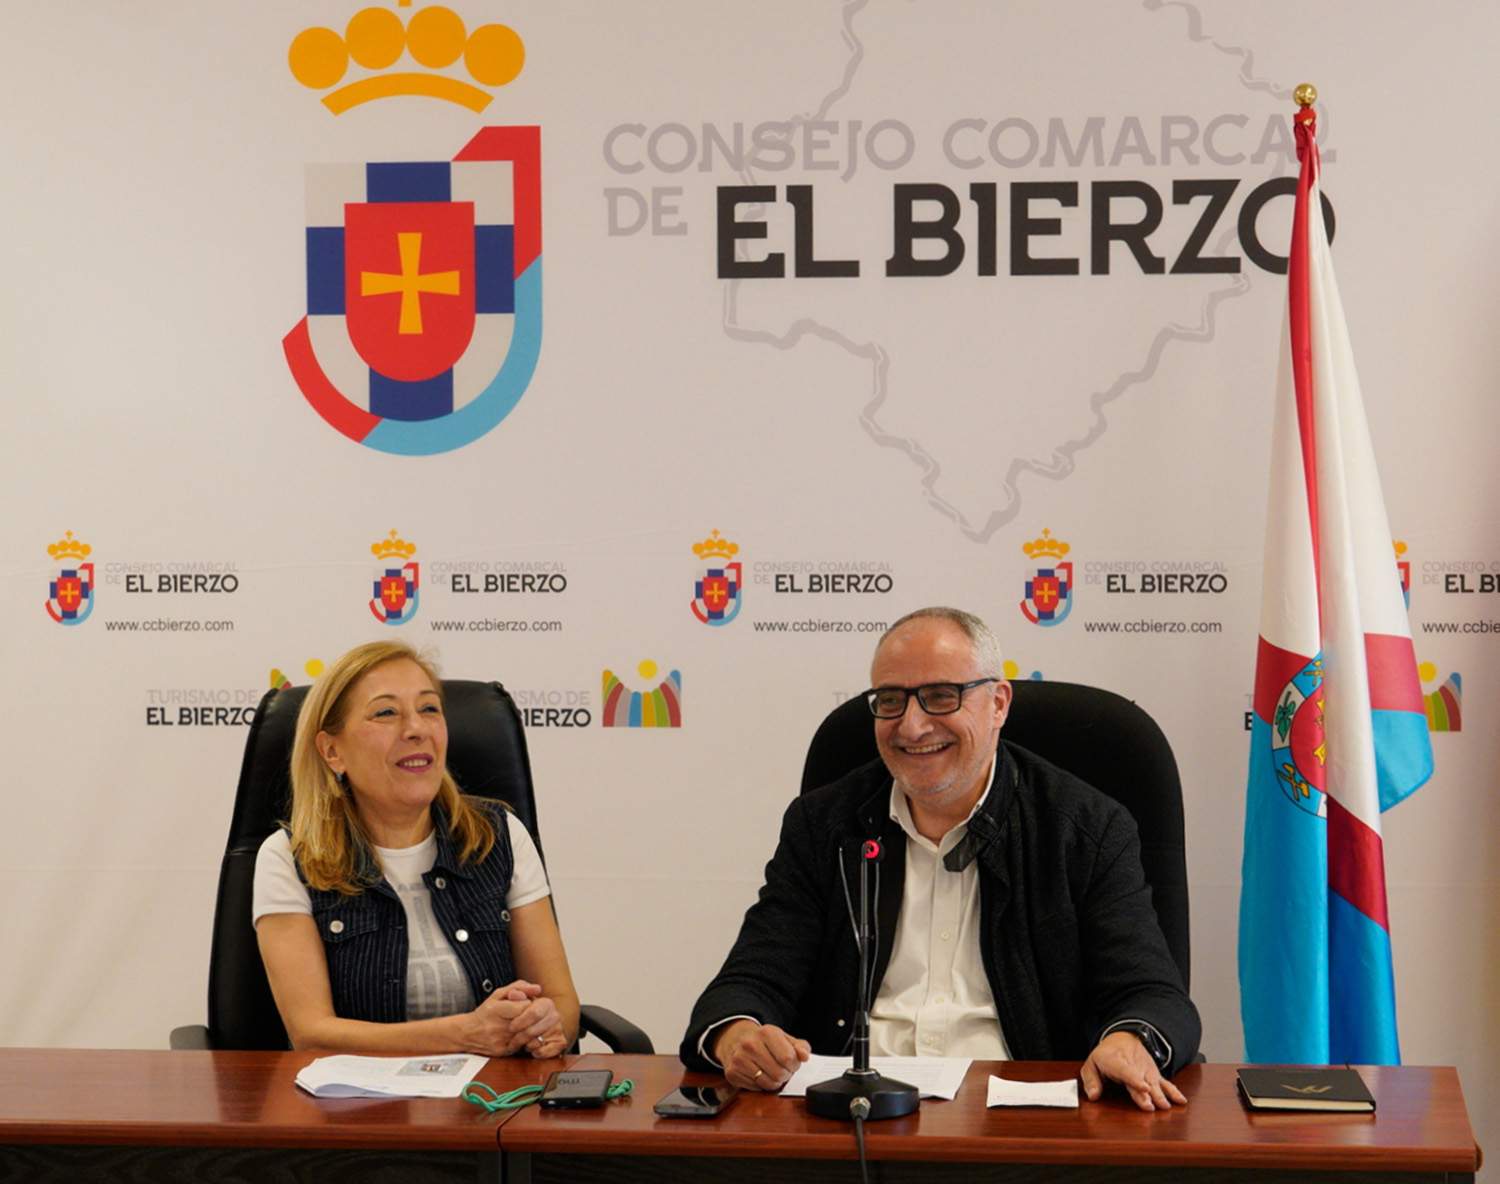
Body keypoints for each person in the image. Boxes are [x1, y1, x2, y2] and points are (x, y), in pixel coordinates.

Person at [680, 607, 1200, 1112]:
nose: (911, 726)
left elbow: (1151, 993)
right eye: (890, 700)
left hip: (1015, 1121)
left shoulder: (1084, 828)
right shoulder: (824, 825)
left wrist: (1130, 1039)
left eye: (939, 697)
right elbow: (750, 982)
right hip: (854, 1117)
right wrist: (737, 1036)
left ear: (997, 704)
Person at [253, 640, 580, 1057]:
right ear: (332, 751)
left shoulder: (498, 836)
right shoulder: (289, 858)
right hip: (357, 1111)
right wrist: (465, 1035)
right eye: (386, 713)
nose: (417, 729)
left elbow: (563, 1004)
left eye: (429, 709)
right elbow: (311, 1033)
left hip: (493, 1103)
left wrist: (545, 1023)